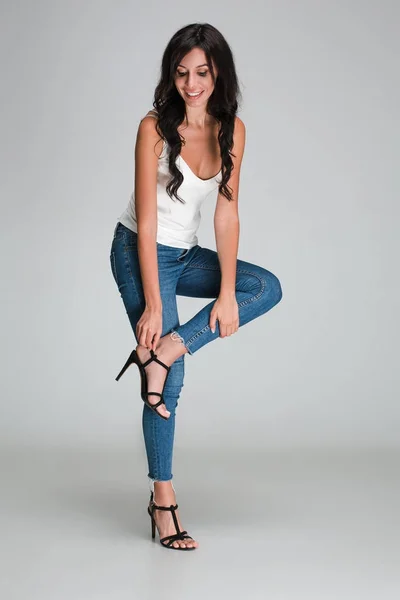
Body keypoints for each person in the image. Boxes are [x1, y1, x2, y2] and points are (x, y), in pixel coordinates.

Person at [109, 23, 283, 551]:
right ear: (172, 75)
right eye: (181, 73)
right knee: (171, 381)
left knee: (263, 287)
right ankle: (163, 501)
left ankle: (166, 353)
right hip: (137, 248)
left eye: (201, 73)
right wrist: (156, 307)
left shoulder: (234, 129)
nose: (191, 84)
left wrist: (227, 290)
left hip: (184, 255)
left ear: (218, 74)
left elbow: (226, 217)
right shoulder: (153, 128)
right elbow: (145, 219)